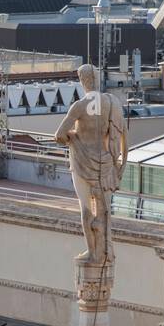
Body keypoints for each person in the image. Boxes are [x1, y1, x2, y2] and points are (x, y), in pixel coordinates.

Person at [54, 64, 128, 265]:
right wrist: (120, 166)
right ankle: (105, 251)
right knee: (104, 211)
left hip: (81, 163)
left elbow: (59, 135)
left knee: (86, 208)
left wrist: (73, 138)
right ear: (97, 79)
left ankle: (92, 251)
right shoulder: (111, 103)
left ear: (82, 81)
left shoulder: (79, 106)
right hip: (105, 163)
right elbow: (122, 139)